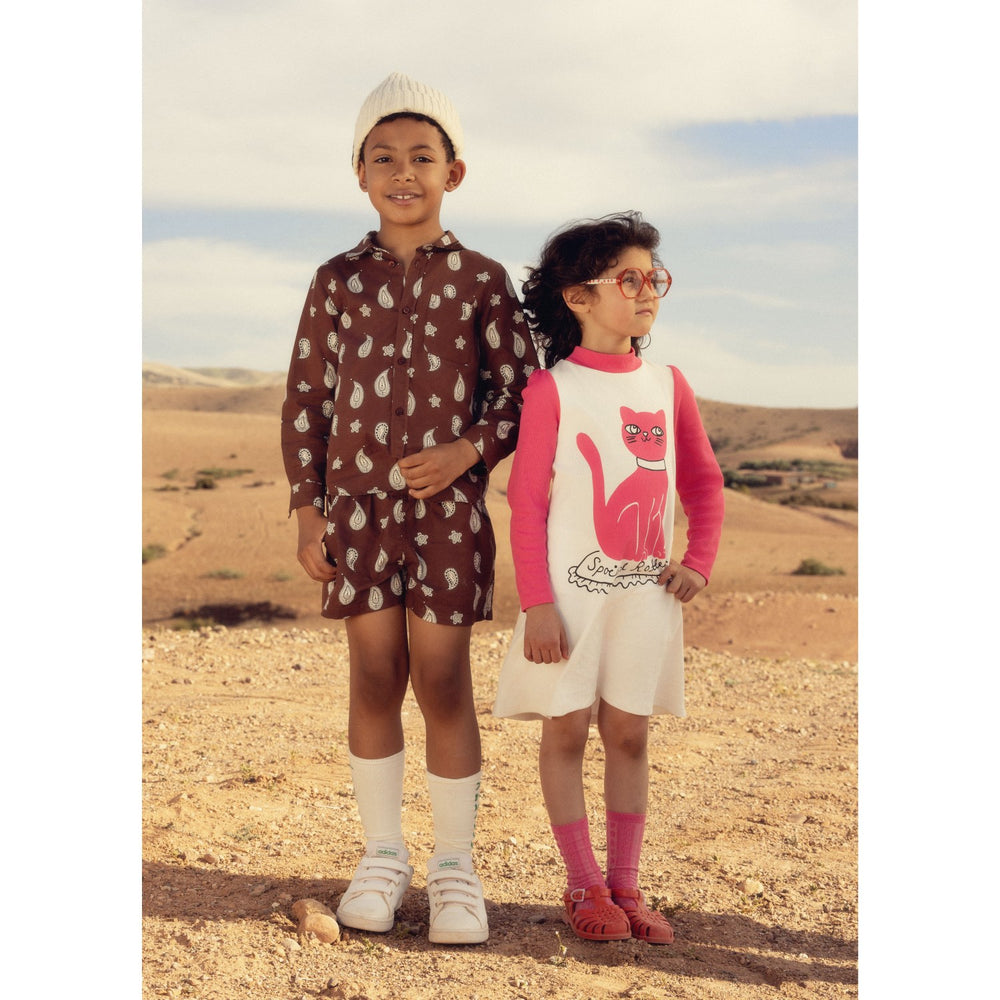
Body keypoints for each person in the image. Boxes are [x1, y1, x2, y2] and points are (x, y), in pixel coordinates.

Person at [280, 72, 538, 945]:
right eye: (383, 157)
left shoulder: (483, 281)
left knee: (443, 680)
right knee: (373, 675)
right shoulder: (336, 281)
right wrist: (308, 511)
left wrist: (467, 452)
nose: (403, 172)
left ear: (453, 173)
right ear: (359, 174)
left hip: (450, 519)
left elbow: (521, 396)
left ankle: (456, 867)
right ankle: (382, 856)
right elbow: (307, 400)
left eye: (422, 157)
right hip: (355, 517)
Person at [492, 212, 724, 944]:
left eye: (655, 277)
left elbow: (704, 484)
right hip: (567, 601)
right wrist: (536, 604)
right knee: (565, 732)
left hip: (645, 601)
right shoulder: (551, 390)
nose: (649, 291)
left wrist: (699, 560)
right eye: (630, 278)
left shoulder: (668, 384)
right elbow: (527, 504)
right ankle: (582, 884)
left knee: (628, 734)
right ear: (579, 296)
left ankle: (626, 885)